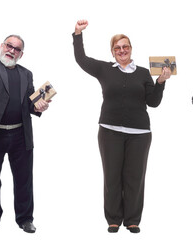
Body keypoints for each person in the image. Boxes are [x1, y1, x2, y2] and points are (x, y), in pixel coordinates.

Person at [72, 20, 171, 233]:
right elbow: (81, 59)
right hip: (109, 132)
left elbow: (153, 102)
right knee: (112, 176)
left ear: (131, 49)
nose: (122, 50)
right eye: (117, 48)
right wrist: (77, 34)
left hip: (140, 133)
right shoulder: (104, 69)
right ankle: (114, 218)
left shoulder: (144, 73)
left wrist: (161, 82)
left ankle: (133, 219)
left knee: (135, 177)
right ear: (112, 51)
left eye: (125, 46)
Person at [0, 34, 50, 233]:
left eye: (16, 49)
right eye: (9, 46)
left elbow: (30, 104)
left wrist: (39, 106)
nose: (11, 51)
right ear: (2, 46)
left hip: (20, 134)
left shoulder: (26, 74)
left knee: (24, 179)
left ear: (21, 54)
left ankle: (25, 219)